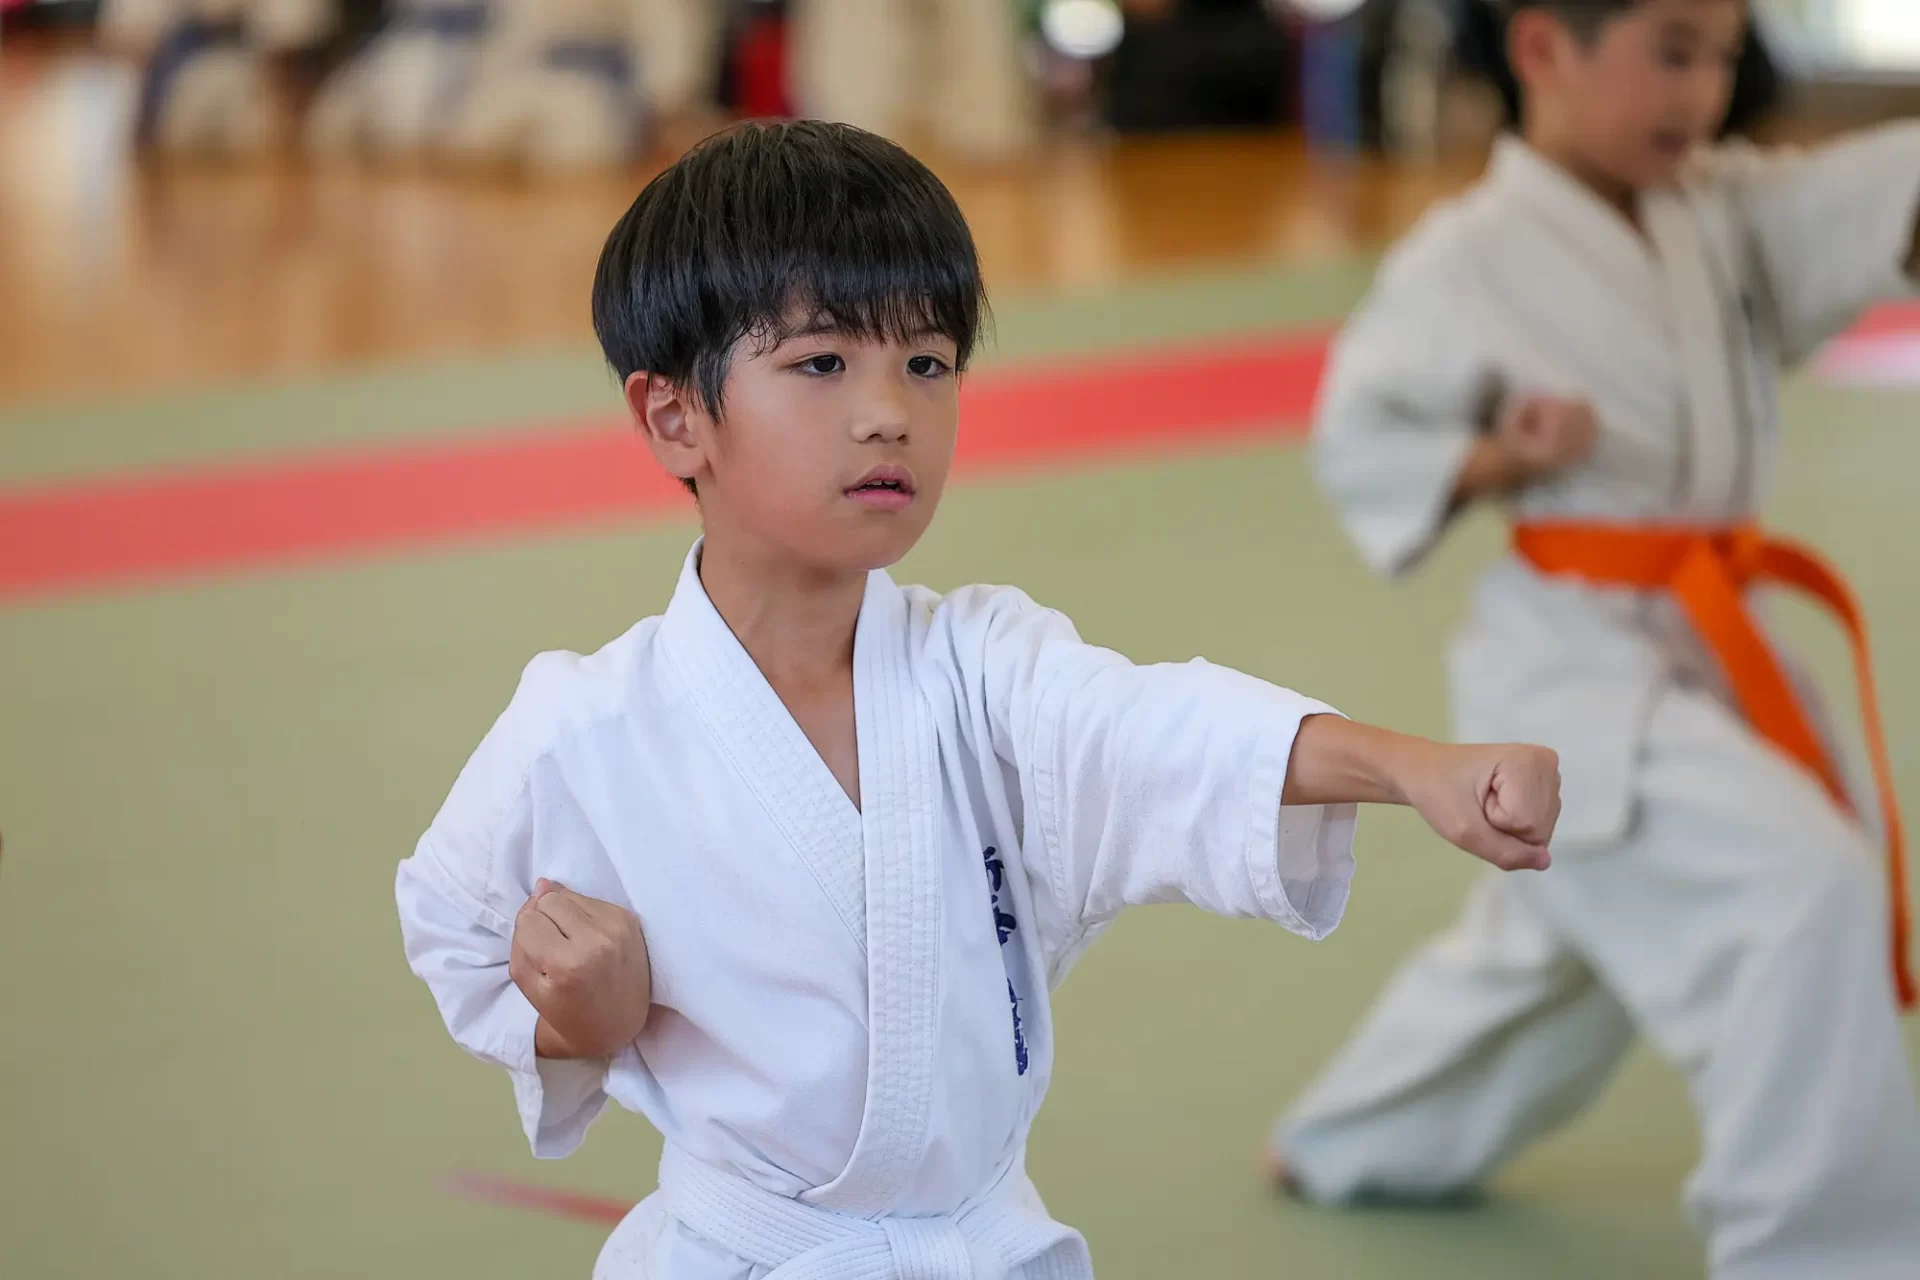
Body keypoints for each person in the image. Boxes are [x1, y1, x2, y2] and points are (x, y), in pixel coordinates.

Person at [394, 119, 1563, 1279]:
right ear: (675, 417)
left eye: (928, 361)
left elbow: (1152, 732)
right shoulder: (586, 729)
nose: (889, 412)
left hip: (979, 1247)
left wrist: (1414, 767)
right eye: (822, 363)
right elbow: (454, 926)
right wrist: (578, 1023)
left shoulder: (981, 669)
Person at [1271, 2, 1920, 1277]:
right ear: (1542, 50)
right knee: (1802, 889)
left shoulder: (1718, 207)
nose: (1704, 91)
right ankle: (1822, 1252)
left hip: (1713, 639)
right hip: (1576, 666)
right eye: (1672, 53)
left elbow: (1871, 202)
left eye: (1722, 56)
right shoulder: (1468, 257)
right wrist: (1496, 455)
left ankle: (1348, 1138)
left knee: (1557, 948)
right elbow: (1359, 434)